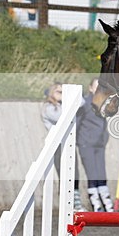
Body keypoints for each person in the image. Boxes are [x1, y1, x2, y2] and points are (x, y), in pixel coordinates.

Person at [42, 82, 83, 210]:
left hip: (69, 144)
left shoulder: (62, 106)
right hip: (58, 146)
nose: (62, 95)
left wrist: (72, 96)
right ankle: (66, 205)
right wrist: (70, 103)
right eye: (59, 92)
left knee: (74, 175)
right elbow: (62, 117)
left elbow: (82, 102)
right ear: (51, 93)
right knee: (64, 176)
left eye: (63, 92)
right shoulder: (48, 108)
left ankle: (76, 204)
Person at [77, 78, 114, 212]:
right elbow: (78, 122)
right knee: (92, 174)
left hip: (99, 144)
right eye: (96, 87)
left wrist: (104, 139)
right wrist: (79, 141)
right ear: (91, 88)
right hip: (86, 143)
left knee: (101, 173)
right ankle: (96, 204)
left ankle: (107, 204)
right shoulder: (85, 103)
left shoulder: (102, 103)